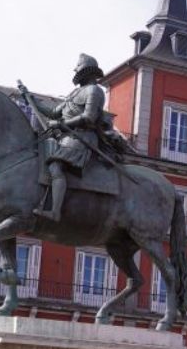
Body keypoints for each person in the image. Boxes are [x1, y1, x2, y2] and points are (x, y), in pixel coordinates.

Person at [15, 54, 134, 223]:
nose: (75, 69)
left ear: (85, 69)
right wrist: (30, 98)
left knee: (56, 165)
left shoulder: (94, 91)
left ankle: (55, 212)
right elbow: (53, 112)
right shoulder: (75, 93)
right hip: (67, 137)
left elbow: (88, 118)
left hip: (83, 137)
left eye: (77, 66)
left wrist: (61, 124)